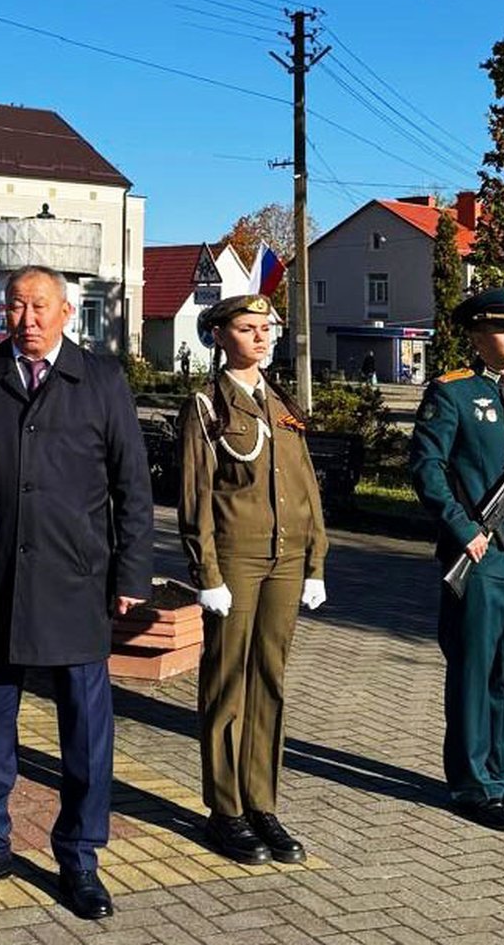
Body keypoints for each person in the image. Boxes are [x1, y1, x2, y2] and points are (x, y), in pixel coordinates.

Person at [0, 264, 153, 921]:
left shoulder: (102, 380)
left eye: (39, 307)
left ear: (66, 312)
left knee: (85, 732)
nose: (26, 319)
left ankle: (80, 857)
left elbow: (132, 487)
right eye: (15, 306)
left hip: (76, 582)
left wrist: (131, 576)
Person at [178, 294, 328, 865]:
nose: (262, 337)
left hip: (286, 558)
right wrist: (207, 573)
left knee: (270, 678)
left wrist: (317, 559)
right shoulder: (208, 404)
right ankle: (226, 809)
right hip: (237, 559)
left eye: (267, 327)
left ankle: (261, 801)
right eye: (248, 328)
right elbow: (196, 496)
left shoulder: (280, 401)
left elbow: (307, 487)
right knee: (226, 681)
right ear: (220, 336)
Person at [408, 285, 504, 833]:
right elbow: (426, 468)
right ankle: (473, 783)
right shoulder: (451, 393)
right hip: (478, 557)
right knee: (475, 671)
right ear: (476, 335)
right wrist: (461, 527)